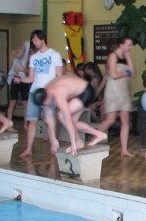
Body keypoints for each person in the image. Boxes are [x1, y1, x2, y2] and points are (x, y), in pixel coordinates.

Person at [31, 74, 108, 155]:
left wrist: (73, 144)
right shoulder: (45, 91)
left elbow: (68, 120)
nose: (44, 106)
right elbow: (50, 119)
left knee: (61, 115)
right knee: (73, 123)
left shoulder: (58, 94)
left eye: (44, 104)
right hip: (77, 91)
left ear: (47, 97)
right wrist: (53, 139)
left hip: (86, 91)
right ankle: (99, 135)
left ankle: (78, 142)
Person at [18, 30, 64, 158]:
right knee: (32, 121)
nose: (34, 42)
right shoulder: (34, 57)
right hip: (34, 91)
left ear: (42, 39)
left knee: (49, 120)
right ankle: (28, 149)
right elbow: (31, 78)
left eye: (36, 40)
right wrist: (20, 79)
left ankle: (53, 146)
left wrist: (57, 94)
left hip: (48, 92)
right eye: (33, 40)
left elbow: (59, 76)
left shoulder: (55, 55)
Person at [96, 37, 135, 158]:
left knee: (125, 119)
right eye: (128, 44)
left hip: (124, 90)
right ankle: (93, 141)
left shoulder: (127, 57)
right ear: (121, 45)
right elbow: (113, 75)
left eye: (131, 45)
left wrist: (129, 58)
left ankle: (124, 150)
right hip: (113, 90)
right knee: (110, 119)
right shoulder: (113, 56)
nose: (130, 47)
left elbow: (133, 73)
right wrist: (126, 73)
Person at [6, 41, 34, 128]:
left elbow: (31, 71)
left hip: (23, 79)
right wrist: (23, 45)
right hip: (15, 78)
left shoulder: (31, 57)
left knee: (25, 103)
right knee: (12, 102)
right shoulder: (16, 53)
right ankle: (9, 124)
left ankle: (25, 125)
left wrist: (24, 69)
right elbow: (17, 56)